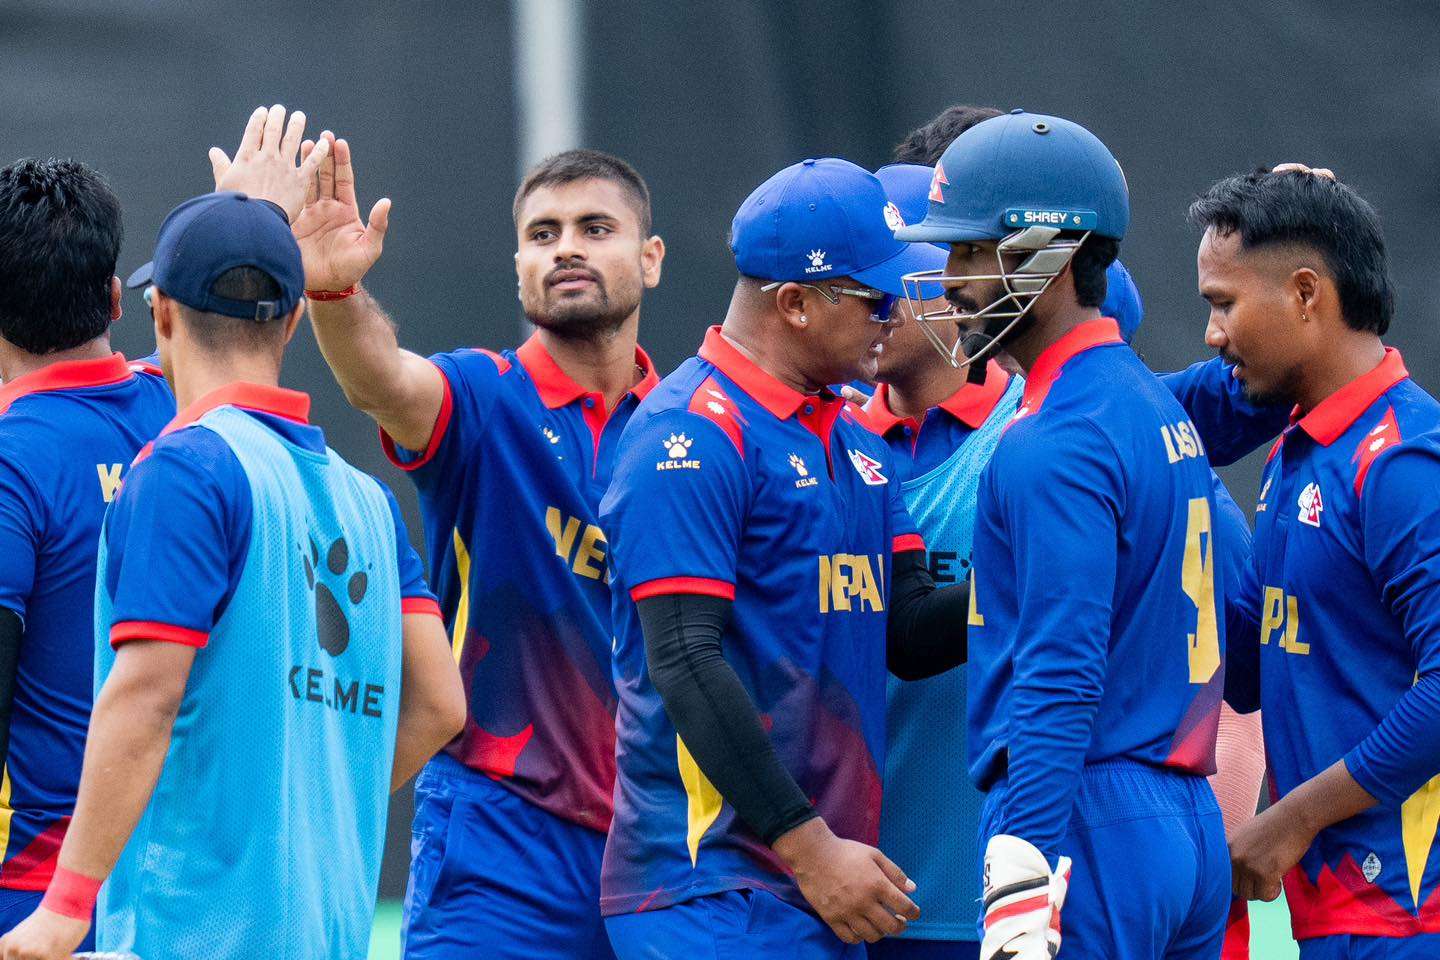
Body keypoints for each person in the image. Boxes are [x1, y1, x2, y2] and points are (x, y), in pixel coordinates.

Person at [0, 105, 465, 960]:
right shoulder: (367, 499)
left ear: (159, 314)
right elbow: (441, 705)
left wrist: (65, 906)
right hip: (324, 926)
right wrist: (304, 810)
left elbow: (146, 693)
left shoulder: (181, 466)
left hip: (169, 921)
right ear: (291, 321)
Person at [870, 108, 1271, 960]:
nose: (949, 281)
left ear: (1045, 255)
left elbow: (1059, 671)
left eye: (969, 251)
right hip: (1183, 819)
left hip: (1085, 819)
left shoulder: (1053, 439)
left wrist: (1024, 868)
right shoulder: (1148, 405)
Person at [293, 132, 664, 958]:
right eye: (543, 234)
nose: (565, 248)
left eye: (595, 228)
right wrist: (335, 289)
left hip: (658, 856)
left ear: (651, 259)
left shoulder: (691, 430)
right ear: (520, 266)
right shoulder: (484, 397)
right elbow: (380, 377)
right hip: (498, 846)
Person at [600, 157, 969, 959]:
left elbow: (908, 630)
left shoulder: (853, 436)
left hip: (820, 887)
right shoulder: (690, 433)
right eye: (876, 298)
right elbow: (684, 659)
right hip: (712, 889)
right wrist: (811, 849)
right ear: (796, 304)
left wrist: (1043, 582)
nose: (895, 314)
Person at [1196, 167, 1440, 959]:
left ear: (1306, 293)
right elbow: (1242, 665)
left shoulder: (1402, 462)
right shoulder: (1297, 453)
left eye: (1224, 303)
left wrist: (1293, 818)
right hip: (1337, 913)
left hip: (1411, 912)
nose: (1213, 335)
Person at [0, 158, 174, 950]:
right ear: (114, 297)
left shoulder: (12, 460)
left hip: (39, 902)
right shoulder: (188, 412)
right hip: (185, 890)